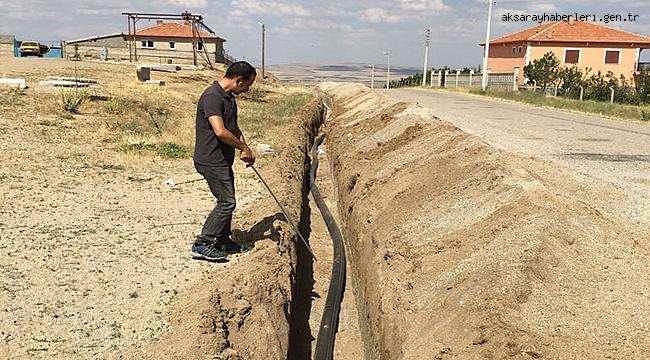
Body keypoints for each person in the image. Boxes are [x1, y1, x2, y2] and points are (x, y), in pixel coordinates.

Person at [191, 61, 257, 261]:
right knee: (227, 202)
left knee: (228, 199)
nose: (247, 90)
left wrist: (246, 149)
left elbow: (233, 128)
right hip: (211, 160)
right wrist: (242, 147)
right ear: (238, 80)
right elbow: (220, 131)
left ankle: (221, 239)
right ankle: (202, 243)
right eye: (247, 85)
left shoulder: (229, 98)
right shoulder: (212, 97)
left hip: (222, 160)